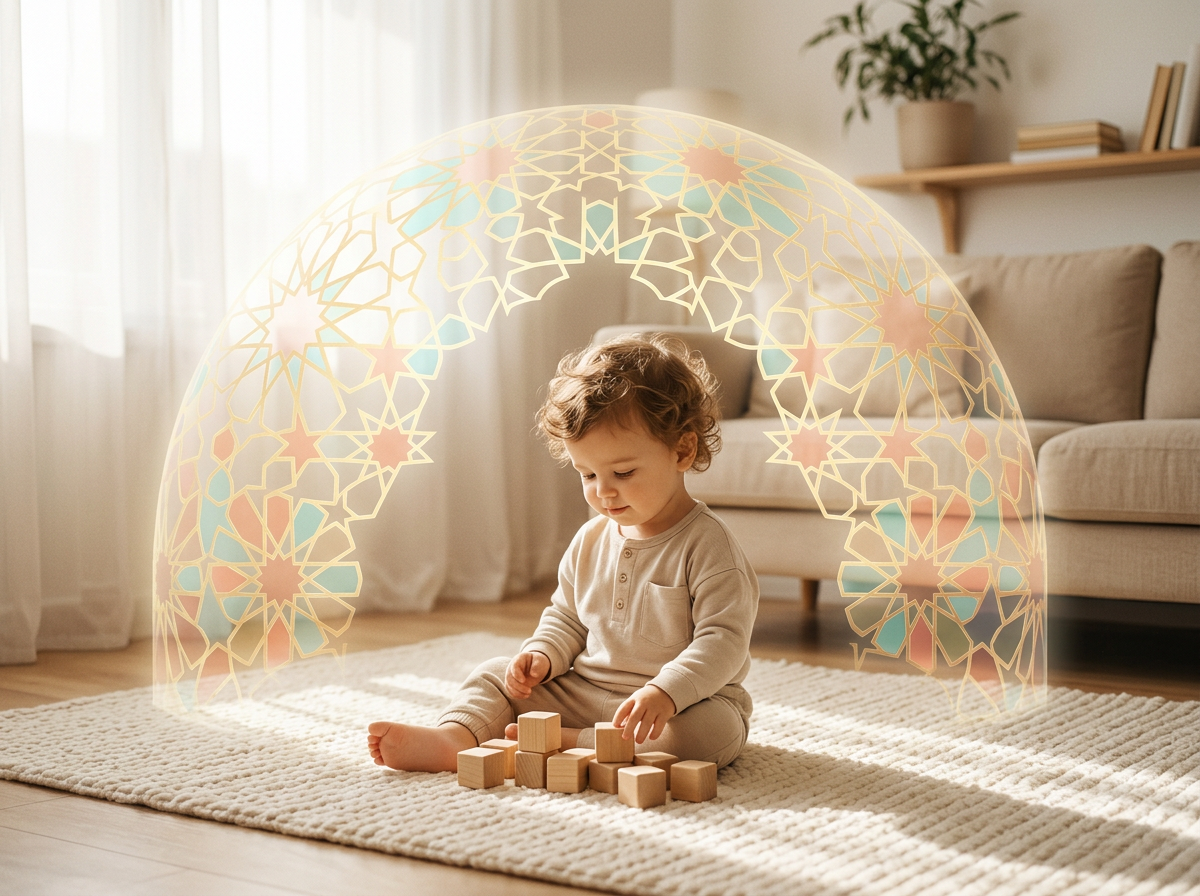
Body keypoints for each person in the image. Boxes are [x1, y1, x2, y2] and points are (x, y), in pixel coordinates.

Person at [367, 333, 759, 772]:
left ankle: (577, 741)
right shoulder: (590, 540)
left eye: (623, 472)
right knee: (495, 674)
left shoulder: (708, 546)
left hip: (676, 705)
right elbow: (567, 617)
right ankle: (453, 739)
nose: (603, 490)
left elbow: (723, 642)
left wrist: (666, 692)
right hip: (586, 691)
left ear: (682, 450)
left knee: (709, 734)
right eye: (587, 474)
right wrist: (542, 656)